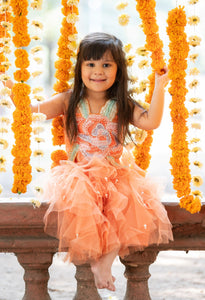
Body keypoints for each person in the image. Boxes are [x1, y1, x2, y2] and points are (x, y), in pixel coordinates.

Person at [3, 32, 173, 292]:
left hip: (115, 176)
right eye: (90, 64)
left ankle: (105, 262)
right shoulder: (69, 100)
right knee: (89, 209)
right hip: (79, 177)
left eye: (107, 64)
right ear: (80, 68)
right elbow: (32, 110)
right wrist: (9, 83)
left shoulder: (122, 104)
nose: (98, 71)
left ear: (119, 70)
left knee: (124, 211)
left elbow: (151, 121)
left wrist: (160, 85)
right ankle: (96, 261)